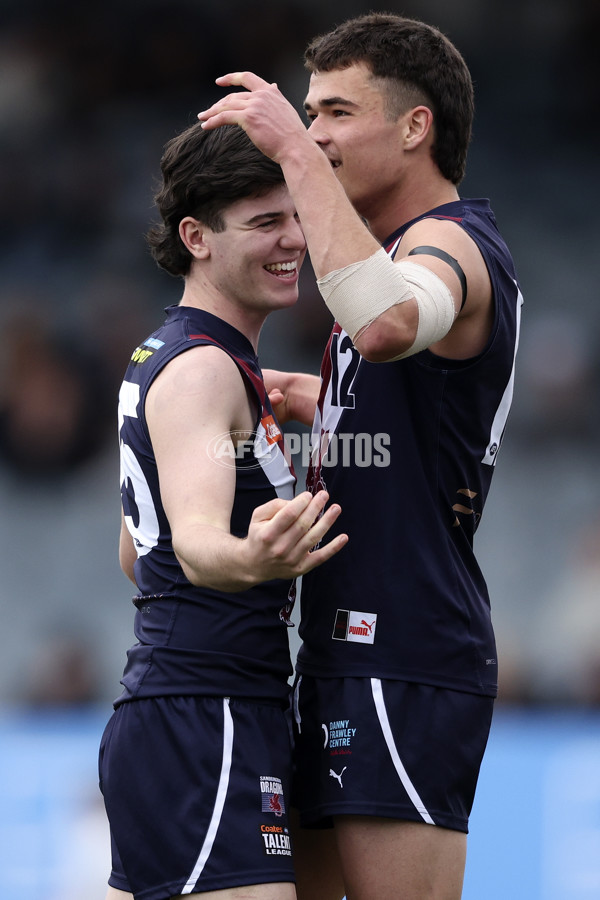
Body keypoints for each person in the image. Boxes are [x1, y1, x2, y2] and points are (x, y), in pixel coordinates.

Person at [198, 12, 523, 900]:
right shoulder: (387, 258)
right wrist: (320, 400)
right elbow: (398, 382)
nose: (313, 134)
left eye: (336, 113)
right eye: (309, 114)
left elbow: (385, 323)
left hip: (406, 649)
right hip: (347, 648)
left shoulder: (451, 242)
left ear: (415, 127)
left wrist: (295, 164)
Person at [98, 121, 348, 900]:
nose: (294, 240)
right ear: (196, 237)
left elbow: (139, 552)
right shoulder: (206, 370)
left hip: (206, 713)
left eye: (295, 216)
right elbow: (201, 547)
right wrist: (256, 558)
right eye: (265, 222)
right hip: (204, 722)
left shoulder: (181, 354)